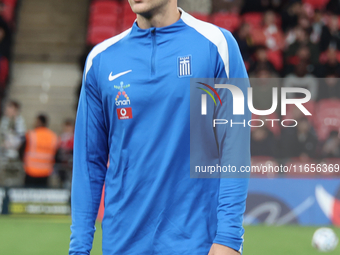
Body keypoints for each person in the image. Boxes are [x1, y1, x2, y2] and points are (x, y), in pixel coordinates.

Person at [69, 0, 250, 255]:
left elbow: (235, 146)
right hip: (121, 245)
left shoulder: (217, 45)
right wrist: (79, 249)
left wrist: (229, 238)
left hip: (197, 244)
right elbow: (89, 162)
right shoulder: (101, 60)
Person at [20, 114, 58, 188]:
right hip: (46, 171)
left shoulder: (31, 134)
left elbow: (21, 150)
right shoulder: (53, 136)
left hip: (30, 170)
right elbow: (56, 154)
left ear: (39, 122)